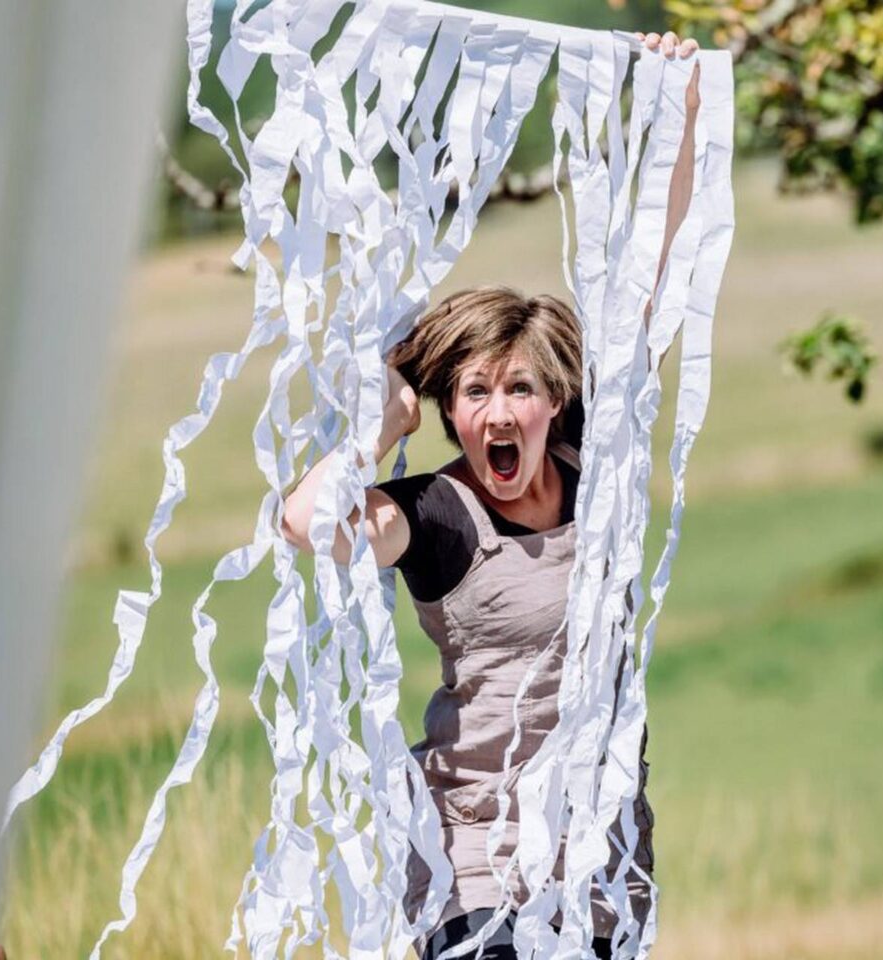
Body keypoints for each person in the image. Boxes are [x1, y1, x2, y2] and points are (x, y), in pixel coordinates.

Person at [280, 29, 701, 960]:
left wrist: (681, 103)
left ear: (556, 401)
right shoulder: (434, 515)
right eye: (474, 393)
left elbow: (655, 282)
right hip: (478, 874)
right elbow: (310, 523)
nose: (498, 412)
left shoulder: (593, 473)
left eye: (519, 389)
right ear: (450, 412)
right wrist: (376, 429)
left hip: (601, 861)